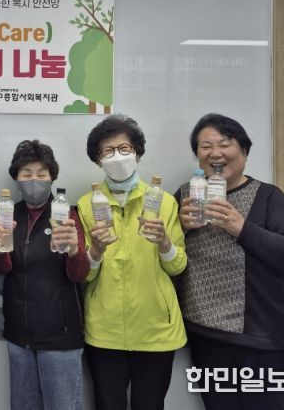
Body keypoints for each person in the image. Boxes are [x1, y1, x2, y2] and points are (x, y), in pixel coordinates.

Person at [175, 113, 284, 410]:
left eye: (225, 144)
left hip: (263, 341)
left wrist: (242, 228)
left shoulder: (267, 196)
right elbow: (166, 257)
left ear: (245, 151)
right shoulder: (186, 195)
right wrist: (180, 228)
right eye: (205, 146)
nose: (215, 153)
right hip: (205, 337)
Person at [76, 114, 187, 410]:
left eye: (124, 148)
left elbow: (178, 266)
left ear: (137, 152)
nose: (117, 156)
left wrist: (164, 244)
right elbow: (83, 275)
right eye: (108, 151)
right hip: (104, 330)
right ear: (98, 159)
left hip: (156, 330)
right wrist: (96, 251)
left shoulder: (164, 202)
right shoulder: (86, 205)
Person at [0, 140, 89, 410]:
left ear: (52, 177)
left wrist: (73, 251)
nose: (34, 180)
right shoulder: (8, 214)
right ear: (16, 178)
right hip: (18, 334)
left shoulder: (68, 214)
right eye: (26, 174)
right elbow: (3, 268)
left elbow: (80, 273)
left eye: (41, 174)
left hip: (60, 336)